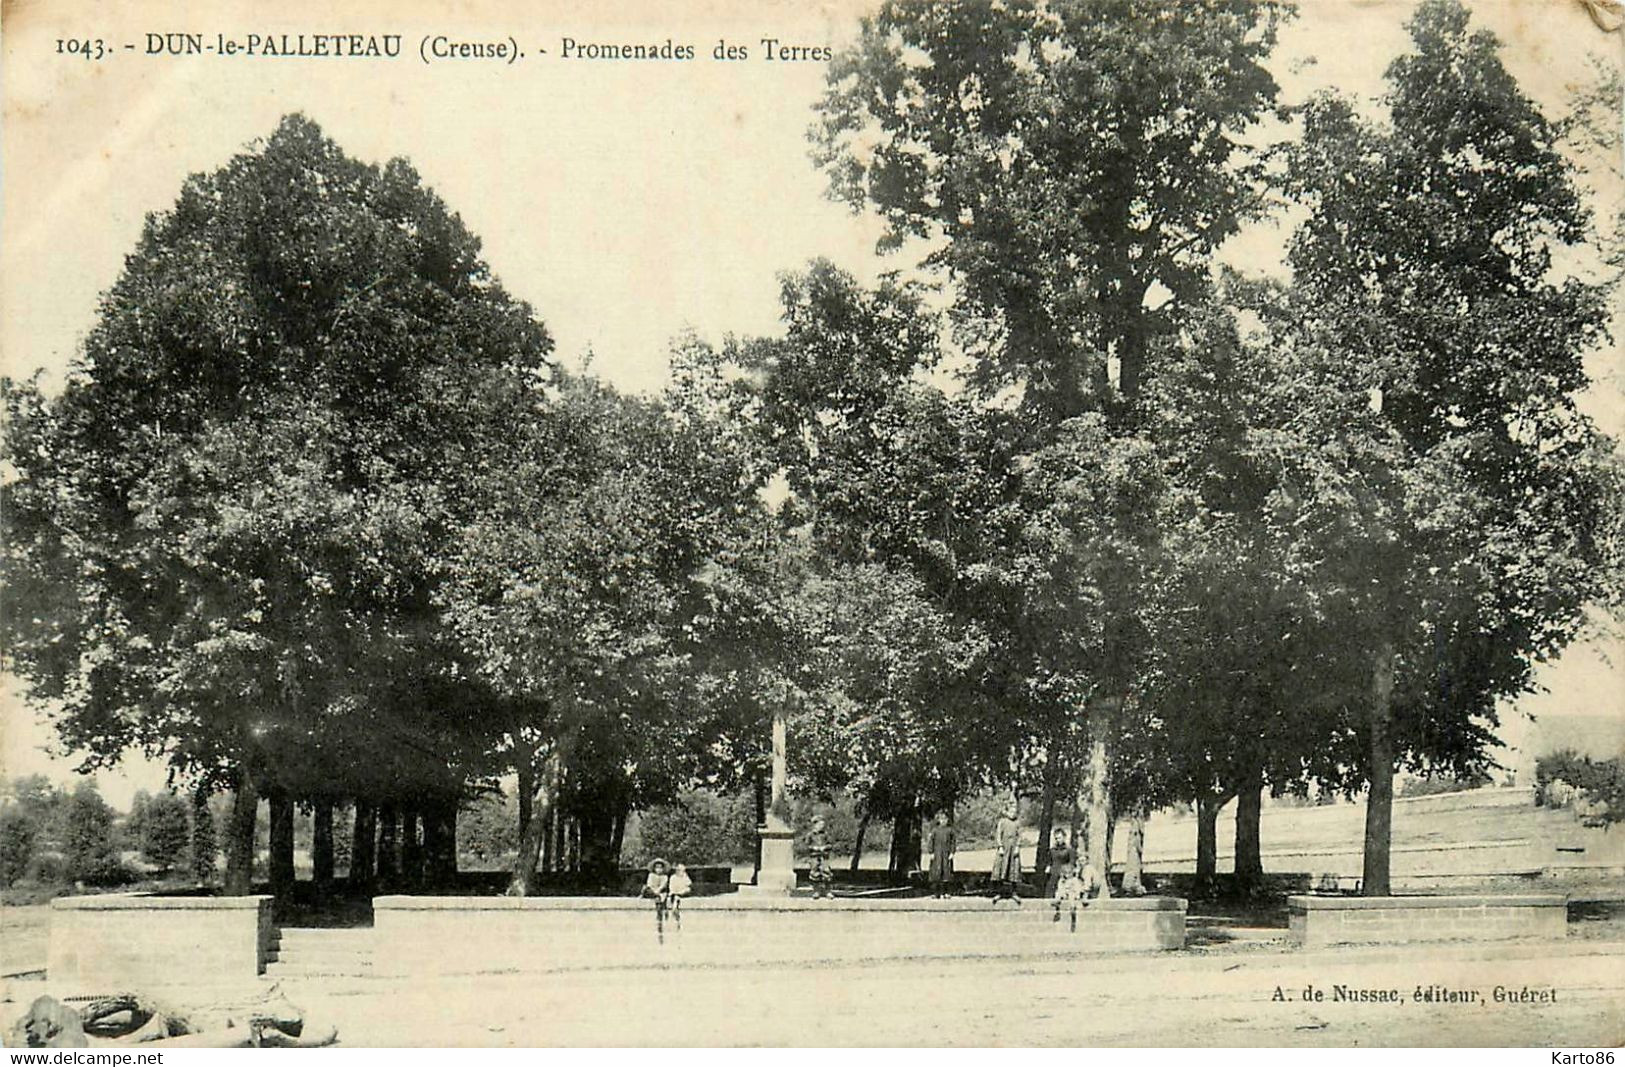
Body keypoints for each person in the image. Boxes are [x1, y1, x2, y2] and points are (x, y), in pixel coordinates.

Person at [990, 801, 1022, 905]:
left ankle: (1014, 892)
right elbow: (998, 835)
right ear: (1007, 811)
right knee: (1001, 869)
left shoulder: (1017, 822)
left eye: (1015, 811)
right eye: (1011, 811)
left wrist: (1017, 846)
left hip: (1013, 849)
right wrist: (1000, 846)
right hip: (1004, 848)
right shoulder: (1002, 822)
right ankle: (999, 892)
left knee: (1014, 870)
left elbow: (1020, 835)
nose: (1013, 813)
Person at [926, 810, 955, 898]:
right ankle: (935, 893)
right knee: (936, 874)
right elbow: (931, 842)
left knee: (946, 874)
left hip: (946, 855)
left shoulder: (950, 831)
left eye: (945, 819)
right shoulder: (935, 830)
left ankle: (946, 893)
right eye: (941, 819)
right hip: (937, 855)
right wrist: (931, 852)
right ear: (939, 820)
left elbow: (953, 842)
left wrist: (952, 852)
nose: (943, 821)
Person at [642, 857, 672, 942]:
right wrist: (654, 891)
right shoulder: (651, 876)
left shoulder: (664, 877)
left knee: (662, 897)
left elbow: (663, 885)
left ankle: (662, 911)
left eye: (660, 867)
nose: (658, 870)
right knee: (646, 889)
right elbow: (649, 884)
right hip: (652, 891)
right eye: (657, 867)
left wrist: (658, 891)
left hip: (660, 892)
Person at [806, 816, 834, 899]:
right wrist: (813, 848)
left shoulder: (825, 835)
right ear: (815, 825)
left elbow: (830, 844)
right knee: (814, 873)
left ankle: (828, 891)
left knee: (827, 873)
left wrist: (825, 847)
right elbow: (806, 846)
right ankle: (816, 891)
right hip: (814, 857)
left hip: (824, 856)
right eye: (820, 824)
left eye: (823, 824)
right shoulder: (810, 835)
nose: (822, 826)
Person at [1044, 829, 1075, 899]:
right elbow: (1049, 861)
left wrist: (1067, 871)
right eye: (1056, 838)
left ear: (1064, 837)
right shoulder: (1052, 850)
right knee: (1050, 888)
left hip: (1064, 872)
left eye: (1059, 838)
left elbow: (1071, 862)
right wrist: (1048, 867)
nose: (1058, 840)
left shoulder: (1069, 850)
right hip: (1053, 871)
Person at [668, 863, 692, 930]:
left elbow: (688, 885)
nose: (682, 872)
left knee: (687, 890)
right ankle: (676, 914)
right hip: (674, 893)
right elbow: (671, 887)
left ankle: (676, 914)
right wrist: (675, 892)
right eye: (680, 870)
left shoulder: (685, 876)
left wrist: (682, 891)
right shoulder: (673, 877)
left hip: (682, 892)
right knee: (675, 899)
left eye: (683, 871)